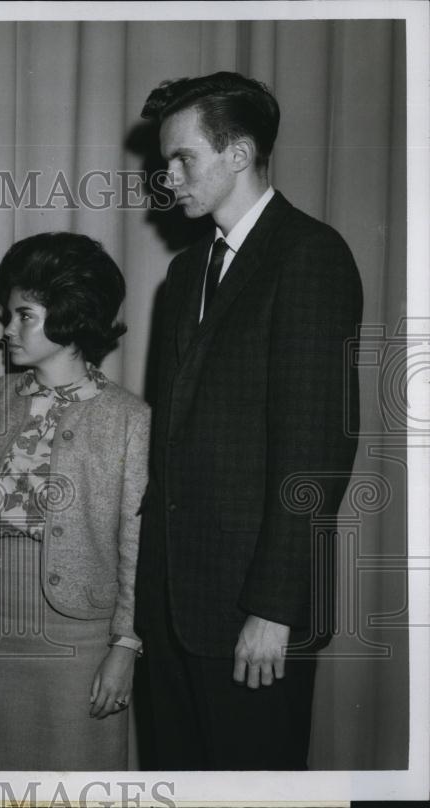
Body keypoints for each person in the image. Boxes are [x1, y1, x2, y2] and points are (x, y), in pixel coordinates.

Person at [135, 72, 363, 770]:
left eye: (183, 159)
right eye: (163, 161)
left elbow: (316, 450)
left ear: (239, 155)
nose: (167, 178)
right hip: (172, 613)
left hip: (254, 619)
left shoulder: (309, 256)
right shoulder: (183, 275)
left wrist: (274, 608)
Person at [0, 232, 149, 771]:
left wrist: (125, 645)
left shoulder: (130, 418)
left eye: (24, 315)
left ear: (71, 316)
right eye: (10, 314)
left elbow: (136, 543)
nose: (8, 330)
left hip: (80, 636)